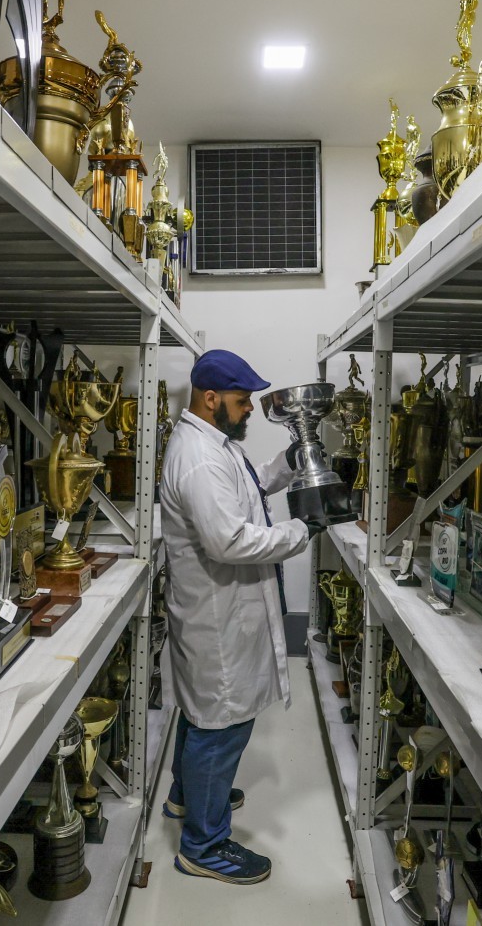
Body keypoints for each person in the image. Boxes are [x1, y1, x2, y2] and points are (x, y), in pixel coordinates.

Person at [159, 349, 322, 885]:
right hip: (217, 617)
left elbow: (244, 495)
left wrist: (288, 467)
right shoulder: (201, 457)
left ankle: (189, 796)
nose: (250, 407)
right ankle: (203, 846)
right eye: (241, 399)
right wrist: (299, 533)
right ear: (210, 399)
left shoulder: (211, 444)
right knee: (222, 722)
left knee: (202, 712)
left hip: (215, 612)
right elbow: (228, 538)